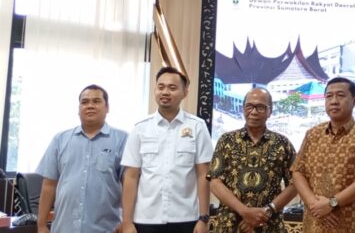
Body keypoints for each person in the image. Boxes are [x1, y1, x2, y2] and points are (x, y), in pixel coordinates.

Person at [120, 66, 213, 233]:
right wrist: (127, 222)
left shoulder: (197, 127)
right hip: (146, 219)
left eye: (172, 88)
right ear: (155, 90)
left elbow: (203, 175)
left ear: (185, 92)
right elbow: (131, 176)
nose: (165, 92)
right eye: (160, 87)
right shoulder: (140, 128)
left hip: (186, 219)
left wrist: (203, 218)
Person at [290, 77, 355, 233]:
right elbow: (297, 171)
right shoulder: (312, 134)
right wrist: (315, 205)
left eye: (340, 95)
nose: (334, 101)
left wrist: (331, 204)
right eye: (329, 96)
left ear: (354, 101)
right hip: (315, 222)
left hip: (350, 224)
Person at [35, 85, 128, 233]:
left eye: (96, 101)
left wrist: (127, 221)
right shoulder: (60, 140)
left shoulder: (122, 139)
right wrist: (41, 225)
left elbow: (129, 185)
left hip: (106, 229)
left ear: (107, 107)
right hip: (64, 228)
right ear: (78, 109)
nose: (90, 105)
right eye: (84, 102)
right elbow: (49, 185)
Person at [208, 87, 297, 233]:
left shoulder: (282, 143)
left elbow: (295, 184)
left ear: (270, 111)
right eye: (249, 106)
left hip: (269, 225)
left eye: (260, 107)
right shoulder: (226, 140)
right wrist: (245, 212)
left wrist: (267, 211)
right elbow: (215, 183)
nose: (254, 112)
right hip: (230, 224)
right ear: (243, 109)